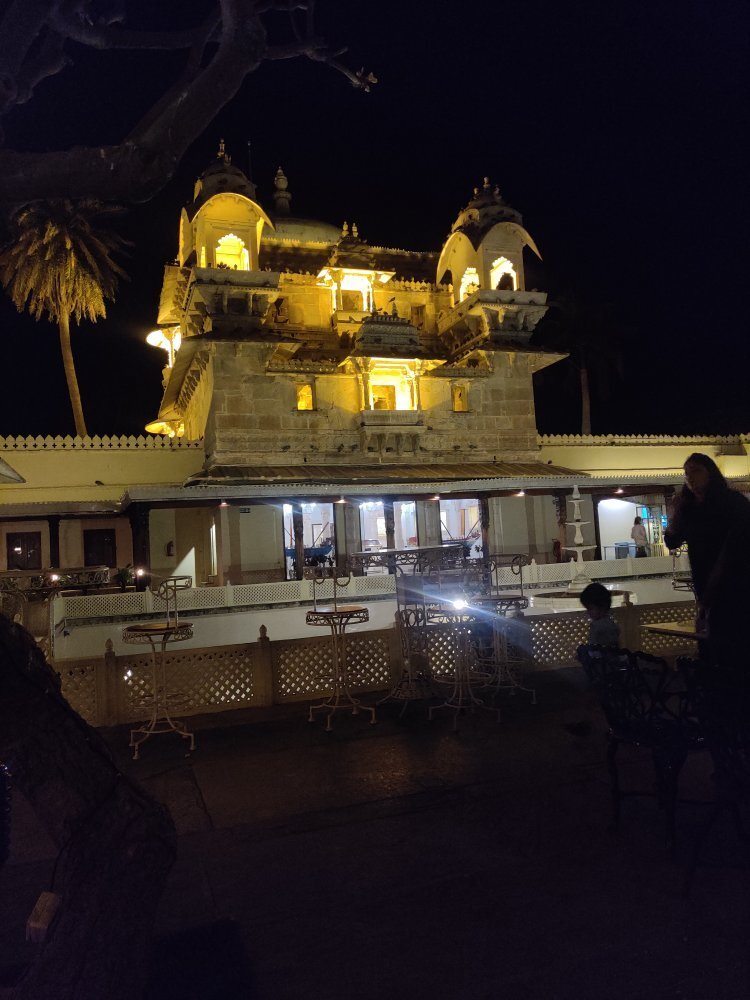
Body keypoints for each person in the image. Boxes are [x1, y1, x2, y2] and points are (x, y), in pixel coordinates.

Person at [664, 452, 750, 675]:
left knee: (733, 647)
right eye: (686, 473)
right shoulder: (689, 509)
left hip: (735, 583)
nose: (690, 478)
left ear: (710, 473)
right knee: (709, 647)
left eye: (696, 471)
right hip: (704, 586)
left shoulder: (732, 503)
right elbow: (672, 540)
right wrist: (674, 513)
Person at [579, 582, 621, 648]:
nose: (588, 612)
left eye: (590, 609)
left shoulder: (598, 626)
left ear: (602, 607)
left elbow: (595, 648)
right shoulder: (611, 624)